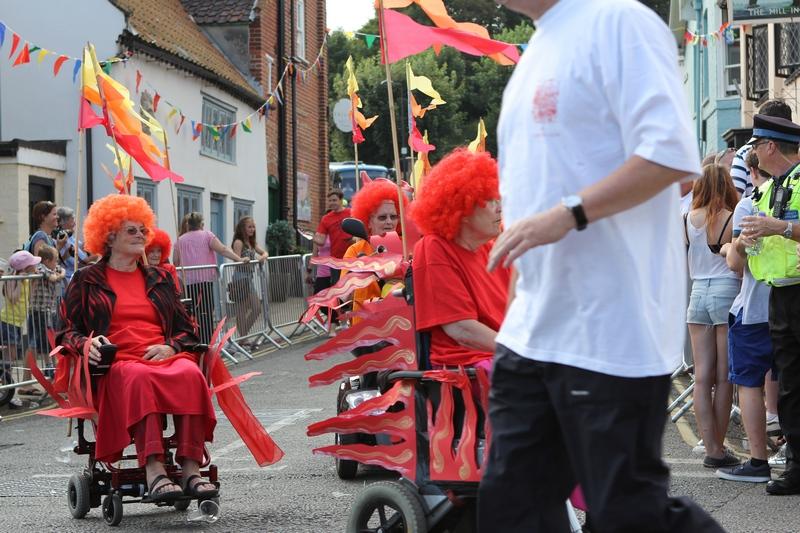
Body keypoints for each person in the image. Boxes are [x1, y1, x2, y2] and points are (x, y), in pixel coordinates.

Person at [480, 0, 723, 531]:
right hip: (531, 333)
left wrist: (569, 215)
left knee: (627, 515)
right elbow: (530, 195)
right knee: (510, 507)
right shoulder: (534, 51)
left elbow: (672, 154)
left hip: (610, 332)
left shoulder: (618, 20)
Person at [56, 195, 218, 502]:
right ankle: (155, 469)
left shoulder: (159, 279)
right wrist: (86, 344)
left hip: (163, 356)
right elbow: (65, 332)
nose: (142, 235)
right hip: (116, 363)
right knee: (139, 378)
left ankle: (190, 470)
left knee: (190, 373)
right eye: (133, 230)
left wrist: (171, 347)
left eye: (144, 229)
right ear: (110, 235)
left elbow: (187, 329)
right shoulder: (86, 280)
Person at [740, 114, 800, 495]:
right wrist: (744, 243)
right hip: (781, 296)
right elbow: (738, 253)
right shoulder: (767, 190)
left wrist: (780, 228)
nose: (753, 154)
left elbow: (782, 229)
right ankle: (797, 465)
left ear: (770, 147)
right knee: (791, 386)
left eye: (755, 146)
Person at [411, 149, 509, 373]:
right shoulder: (434, 247)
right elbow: (461, 330)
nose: (500, 207)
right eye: (489, 199)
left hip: (501, 354)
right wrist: (523, 354)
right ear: (462, 207)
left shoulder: (495, 249)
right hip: (466, 366)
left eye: (499, 198)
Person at [716, 150, 776, 483]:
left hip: (754, 307)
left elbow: (737, 266)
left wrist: (732, 247)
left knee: (749, 383)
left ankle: (758, 461)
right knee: (787, 382)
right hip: (787, 304)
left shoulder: (749, 204)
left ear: (751, 172)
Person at [684, 164, 741, 469]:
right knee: (724, 377)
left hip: (697, 295)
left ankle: (711, 447)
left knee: (702, 378)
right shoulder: (730, 217)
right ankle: (718, 449)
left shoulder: (686, 220)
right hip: (725, 292)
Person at [174, 212, 247, 344]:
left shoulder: (180, 240)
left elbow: (175, 262)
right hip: (205, 280)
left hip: (188, 283)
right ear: (201, 224)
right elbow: (223, 249)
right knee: (207, 311)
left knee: (193, 313)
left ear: (188, 225)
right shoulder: (207, 235)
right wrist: (239, 259)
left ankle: (195, 340)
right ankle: (207, 342)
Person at [342, 179, 407, 325]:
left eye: (394, 216)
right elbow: (345, 297)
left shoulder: (407, 246)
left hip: (402, 325)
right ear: (369, 222)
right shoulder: (356, 250)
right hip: (366, 328)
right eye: (382, 217)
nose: (389, 222)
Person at [730, 99, 793, 198]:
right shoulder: (771, 187)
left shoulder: (743, 154)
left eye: (755, 146)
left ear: (771, 146)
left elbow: (733, 198)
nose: (752, 151)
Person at [1, 251, 37, 399]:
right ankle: (6, 388)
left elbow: (29, 298)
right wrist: (19, 281)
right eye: (32, 264)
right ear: (24, 266)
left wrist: (32, 281)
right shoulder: (13, 279)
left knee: (11, 357)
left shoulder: (27, 279)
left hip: (16, 322)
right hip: (8, 321)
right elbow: (13, 298)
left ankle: (6, 387)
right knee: (10, 356)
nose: (35, 265)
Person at [28, 245, 66, 382]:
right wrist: (59, 276)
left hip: (48, 310)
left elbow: (61, 270)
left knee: (49, 337)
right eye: (55, 260)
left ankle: (51, 364)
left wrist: (59, 273)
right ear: (47, 261)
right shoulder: (41, 268)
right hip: (39, 310)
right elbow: (52, 278)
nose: (57, 263)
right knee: (44, 339)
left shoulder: (51, 268)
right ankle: (49, 365)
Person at [230, 217, 269, 340]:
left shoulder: (251, 242)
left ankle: (242, 337)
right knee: (243, 308)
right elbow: (235, 259)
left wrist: (262, 257)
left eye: (253, 227)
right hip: (240, 277)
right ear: (242, 228)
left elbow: (265, 253)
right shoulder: (239, 242)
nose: (252, 229)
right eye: (249, 227)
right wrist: (243, 260)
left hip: (249, 278)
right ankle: (243, 338)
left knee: (256, 308)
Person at [312, 189, 352, 284]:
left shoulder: (351, 213)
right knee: (338, 288)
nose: (331, 203)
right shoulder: (326, 218)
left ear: (341, 200)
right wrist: (311, 236)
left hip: (352, 257)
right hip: (336, 260)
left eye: (334, 200)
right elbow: (321, 241)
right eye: (330, 200)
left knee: (353, 287)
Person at [56, 206, 98, 282]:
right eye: (72, 220)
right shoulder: (64, 240)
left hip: (76, 278)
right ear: (63, 222)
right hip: (70, 280)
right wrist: (98, 252)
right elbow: (85, 261)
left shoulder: (71, 238)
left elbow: (83, 249)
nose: (75, 223)